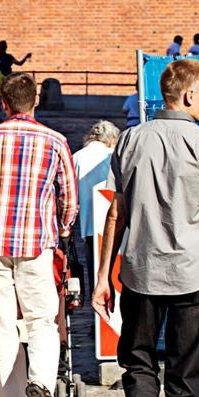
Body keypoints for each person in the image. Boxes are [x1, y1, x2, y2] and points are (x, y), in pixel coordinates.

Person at [92, 58, 199, 397]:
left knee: (139, 364)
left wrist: (104, 275)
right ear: (187, 95)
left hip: (141, 272)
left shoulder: (129, 141)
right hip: (194, 274)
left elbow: (116, 212)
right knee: (187, 380)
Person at [0, 72, 78, 397]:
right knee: (42, 319)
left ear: (3, 103)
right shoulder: (55, 140)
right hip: (36, 242)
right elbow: (69, 199)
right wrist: (60, 230)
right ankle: (42, 382)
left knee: (1, 324)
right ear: (37, 101)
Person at [72, 120, 120, 303]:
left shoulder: (78, 156)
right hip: (114, 221)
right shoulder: (113, 155)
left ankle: (98, 316)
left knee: (95, 273)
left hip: (88, 226)